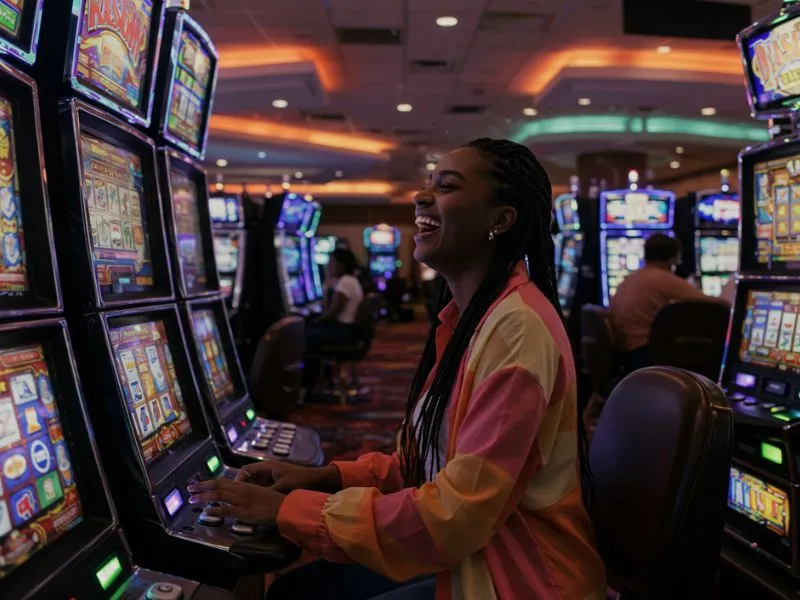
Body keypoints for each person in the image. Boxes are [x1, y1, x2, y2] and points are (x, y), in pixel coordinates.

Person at [188, 138, 606, 600]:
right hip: (476, 555)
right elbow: (428, 467)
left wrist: (292, 511)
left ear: (500, 219)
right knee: (302, 589)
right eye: (427, 184)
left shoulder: (517, 330)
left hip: (515, 578)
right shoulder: (473, 320)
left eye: (446, 186)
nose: (421, 197)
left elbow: (455, 516)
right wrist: (323, 478)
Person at [609, 233, 729, 371]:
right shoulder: (663, 279)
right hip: (645, 354)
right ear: (674, 258)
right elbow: (718, 306)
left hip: (625, 353)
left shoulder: (630, 279)